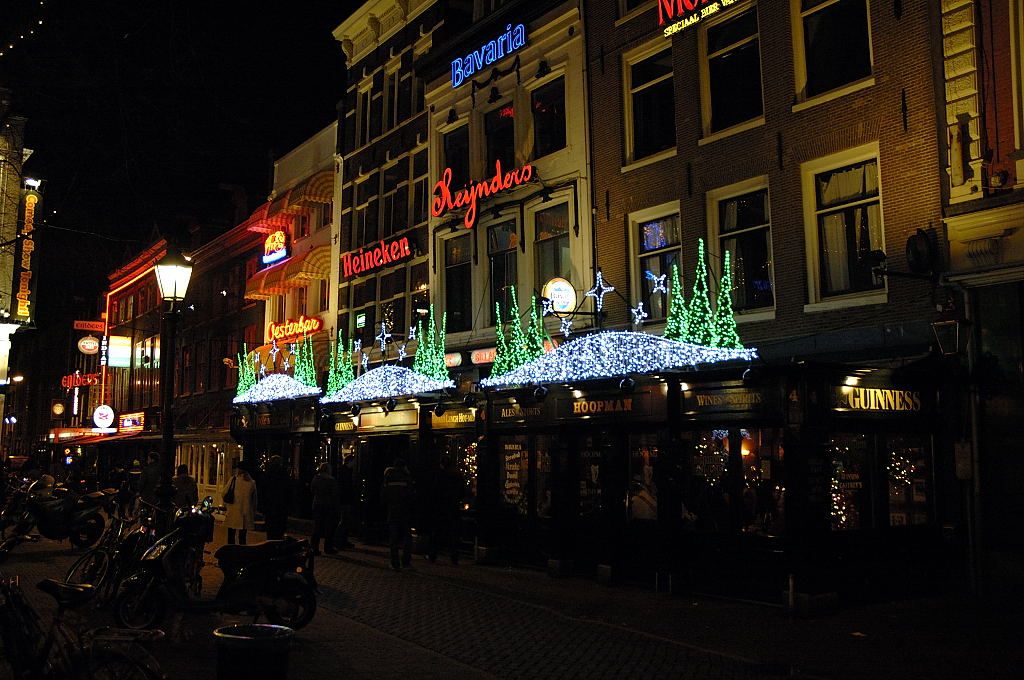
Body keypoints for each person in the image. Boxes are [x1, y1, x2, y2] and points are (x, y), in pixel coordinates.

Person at [426, 458, 464, 564]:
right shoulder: (457, 475)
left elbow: (434, 491)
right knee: (453, 533)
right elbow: (462, 491)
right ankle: (454, 557)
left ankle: (433, 555)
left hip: (441, 508)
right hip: (453, 507)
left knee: (437, 532)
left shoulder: (439, 475)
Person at [381, 457, 415, 570]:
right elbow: (411, 495)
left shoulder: (388, 478)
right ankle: (406, 562)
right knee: (407, 537)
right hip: (405, 512)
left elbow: (384, 496)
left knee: (393, 539)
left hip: (393, 511)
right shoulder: (407, 478)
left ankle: (394, 562)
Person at [309, 463, 340, 555]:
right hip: (328, 505)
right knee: (329, 527)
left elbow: (312, 490)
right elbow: (335, 494)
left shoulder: (316, 478)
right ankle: (328, 547)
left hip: (317, 504)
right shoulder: (331, 480)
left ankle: (314, 547)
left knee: (317, 526)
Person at [224, 462, 258, 545]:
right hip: (245, 512)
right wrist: (253, 512)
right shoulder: (252, 483)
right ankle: (242, 553)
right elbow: (254, 500)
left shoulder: (233, 480)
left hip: (233, 511)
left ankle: (231, 552)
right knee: (242, 537)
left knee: (231, 535)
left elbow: (224, 493)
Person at [261, 455, 291, 540]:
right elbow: (288, 491)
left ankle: (270, 543)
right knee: (279, 528)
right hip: (281, 506)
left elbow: (263, 490)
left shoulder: (267, 474)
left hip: (270, 505)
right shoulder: (284, 474)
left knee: (270, 528)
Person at [335, 453, 356, 549]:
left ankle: (342, 540)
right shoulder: (345, 472)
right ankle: (340, 541)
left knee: (345, 521)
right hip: (345, 500)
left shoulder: (343, 471)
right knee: (344, 521)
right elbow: (345, 487)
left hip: (344, 499)